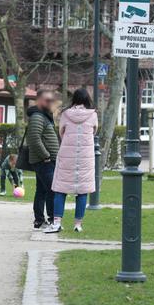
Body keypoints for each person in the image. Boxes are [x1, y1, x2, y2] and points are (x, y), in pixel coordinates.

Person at [45, 88, 98, 234]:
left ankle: (57, 222)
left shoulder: (65, 114)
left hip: (67, 155)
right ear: (87, 99)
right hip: (85, 158)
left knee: (60, 189)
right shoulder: (92, 115)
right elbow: (94, 131)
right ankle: (78, 224)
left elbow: (61, 132)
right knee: (82, 191)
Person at [26, 89, 60, 229]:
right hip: (44, 161)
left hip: (46, 160)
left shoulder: (44, 116)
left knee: (41, 190)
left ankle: (39, 220)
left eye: (51, 100)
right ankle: (52, 219)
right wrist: (45, 155)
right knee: (52, 189)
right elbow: (34, 139)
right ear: (38, 100)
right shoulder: (37, 116)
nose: (50, 103)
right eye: (47, 100)